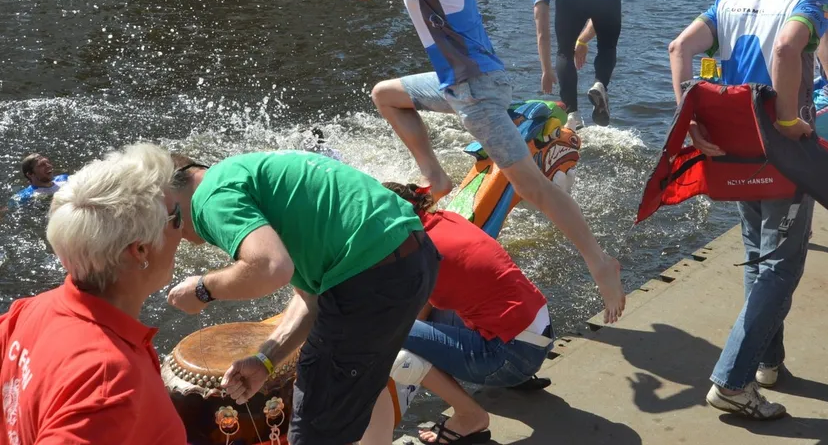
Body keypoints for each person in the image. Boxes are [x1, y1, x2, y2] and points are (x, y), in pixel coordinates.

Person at [322, 0, 624, 325]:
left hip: (475, 93)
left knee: (534, 188)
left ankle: (599, 262)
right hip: (462, 84)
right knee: (385, 94)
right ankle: (435, 176)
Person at [165, 150, 441, 445]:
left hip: (372, 278)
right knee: (366, 386)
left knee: (312, 427)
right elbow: (312, 299)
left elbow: (270, 267)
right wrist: (265, 361)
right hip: (414, 259)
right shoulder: (246, 173)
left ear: (166, 194)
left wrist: (203, 290)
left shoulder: (207, 197)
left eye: (165, 218)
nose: (173, 233)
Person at [668, 0, 828, 419]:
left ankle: (766, 363)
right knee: (782, 264)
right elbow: (787, 48)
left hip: (734, 148)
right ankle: (733, 381)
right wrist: (786, 120)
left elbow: (679, 48)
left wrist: (689, 123)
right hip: (780, 149)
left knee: (760, 256)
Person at [0, 143, 187, 444]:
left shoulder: (29, 312)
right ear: (140, 250)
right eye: (176, 216)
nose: (183, 228)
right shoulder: (107, 382)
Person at [363, 183, 554, 445]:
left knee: (385, 332)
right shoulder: (446, 220)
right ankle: (512, 376)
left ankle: (469, 415)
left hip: (512, 357)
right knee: (418, 321)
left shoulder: (418, 253)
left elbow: (400, 315)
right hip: (536, 336)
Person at [533, 0, 622, 130]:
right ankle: (600, 84)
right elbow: (597, 18)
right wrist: (582, 41)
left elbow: (542, 32)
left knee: (564, 52)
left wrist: (546, 70)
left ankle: (572, 115)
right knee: (607, 46)